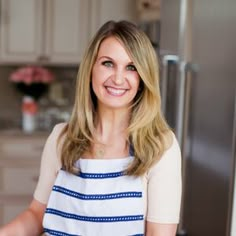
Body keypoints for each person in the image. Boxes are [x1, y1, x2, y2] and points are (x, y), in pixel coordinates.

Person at [0, 20, 182, 236]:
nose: (117, 78)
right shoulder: (62, 138)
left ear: (143, 78)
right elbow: (37, 215)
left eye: (131, 67)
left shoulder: (160, 146)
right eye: (108, 63)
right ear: (91, 69)